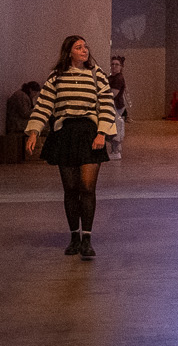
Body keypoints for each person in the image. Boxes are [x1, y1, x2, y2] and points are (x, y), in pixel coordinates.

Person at [24, 35, 117, 260]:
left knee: (87, 188)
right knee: (71, 189)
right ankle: (74, 237)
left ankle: (87, 239)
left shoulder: (96, 75)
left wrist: (102, 133)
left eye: (85, 47)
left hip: (89, 134)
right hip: (65, 134)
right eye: (79, 47)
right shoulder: (56, 77)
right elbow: (44, 104)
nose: (84, 50)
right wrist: (34, 131)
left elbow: (107, 104)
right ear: (69, 52)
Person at [106, 55, 129, 161]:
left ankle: (116, 152)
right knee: (113, 128)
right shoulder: (111, 77)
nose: (114, 66)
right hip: (114, 106)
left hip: (116, 106)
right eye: (112, 64)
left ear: (121, 66)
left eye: (117, 64)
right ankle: (115, 150)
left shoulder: (118, 79)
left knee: (115, 129)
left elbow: (113, 94)